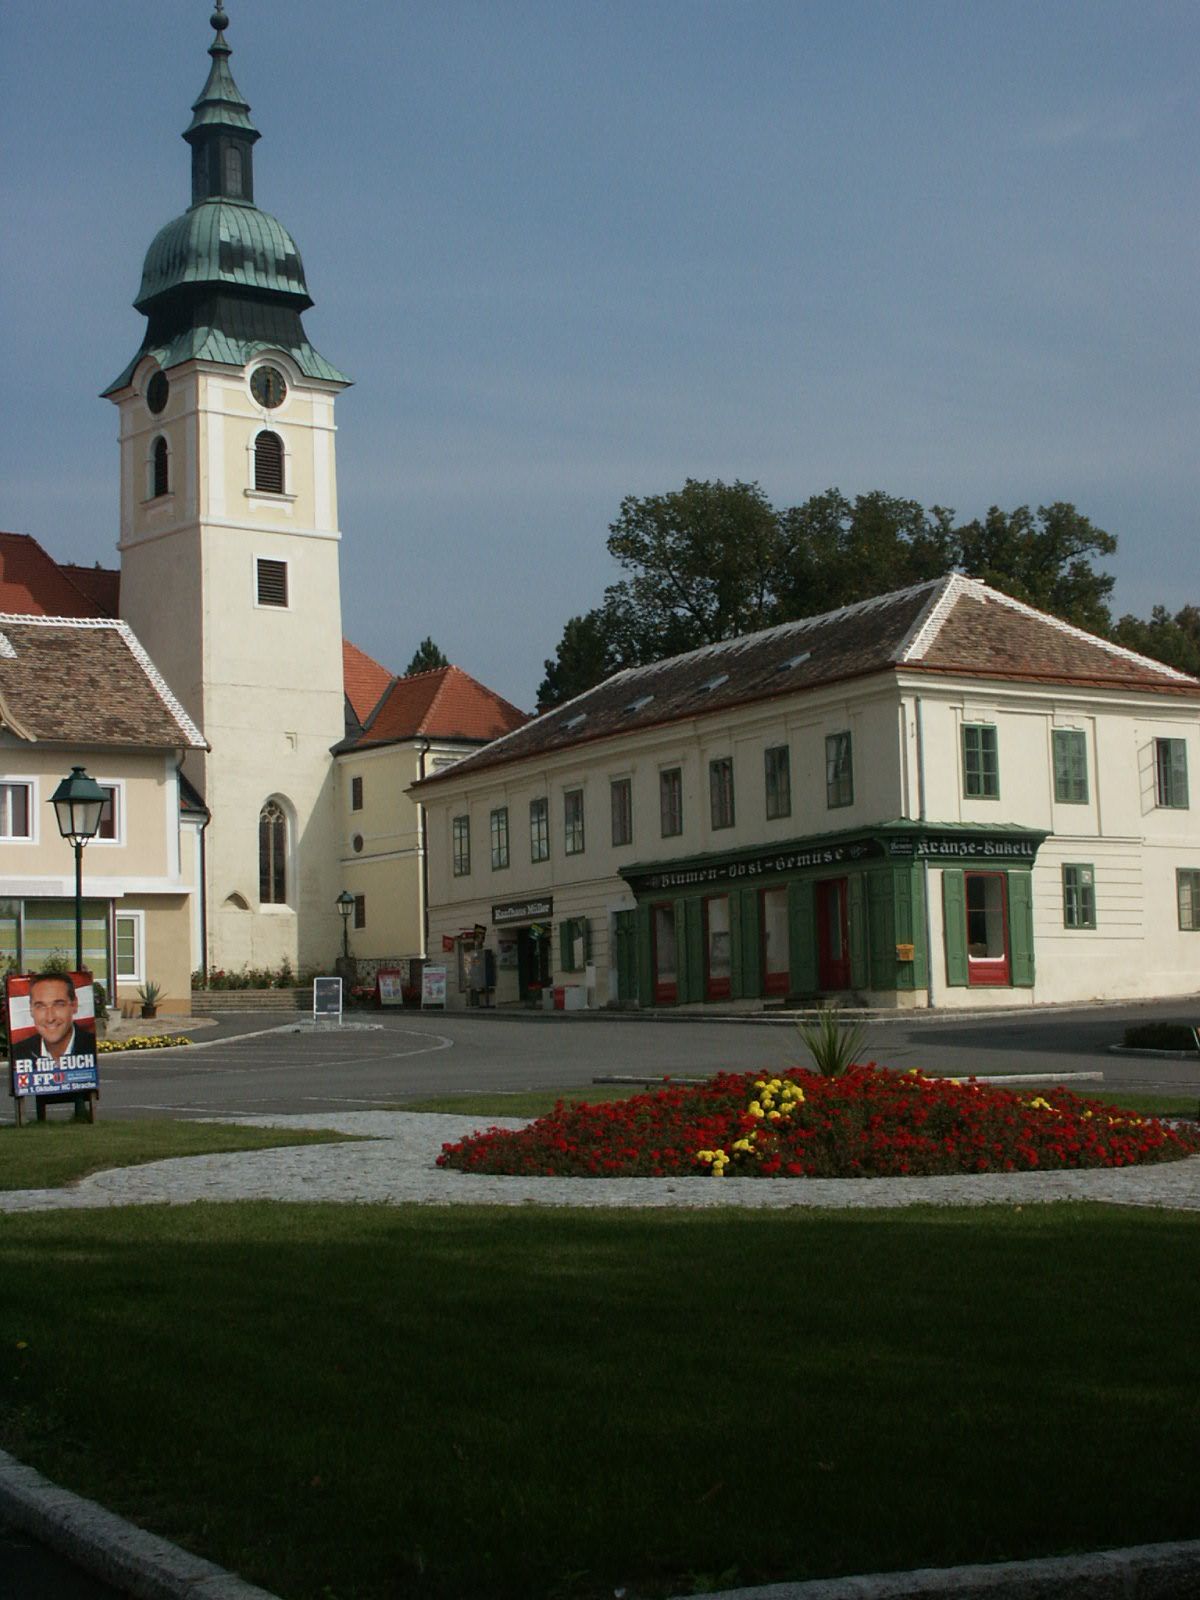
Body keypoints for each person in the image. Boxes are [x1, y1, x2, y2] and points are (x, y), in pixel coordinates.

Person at [10, 973, 97, 1066]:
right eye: (41, 1006)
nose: (50, 1018)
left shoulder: (90, 1047)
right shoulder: (19, 1053)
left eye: (58, 1004)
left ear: (74, 1005)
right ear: (31, 1009)